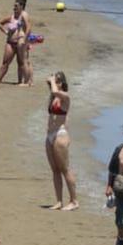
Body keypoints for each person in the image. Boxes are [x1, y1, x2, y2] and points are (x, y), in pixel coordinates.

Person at [44, 71, 76, 211]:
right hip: (50, 135)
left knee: (64, 169)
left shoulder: (65, 96)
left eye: (57, 81)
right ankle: (58, 201)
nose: (53, 83)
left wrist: (52, 82)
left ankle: (74, 200)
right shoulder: (53, 97)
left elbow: (56, 92)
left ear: (61, 83)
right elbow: (52, 92)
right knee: (55, 170)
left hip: (60, 135)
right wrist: (50, 81)